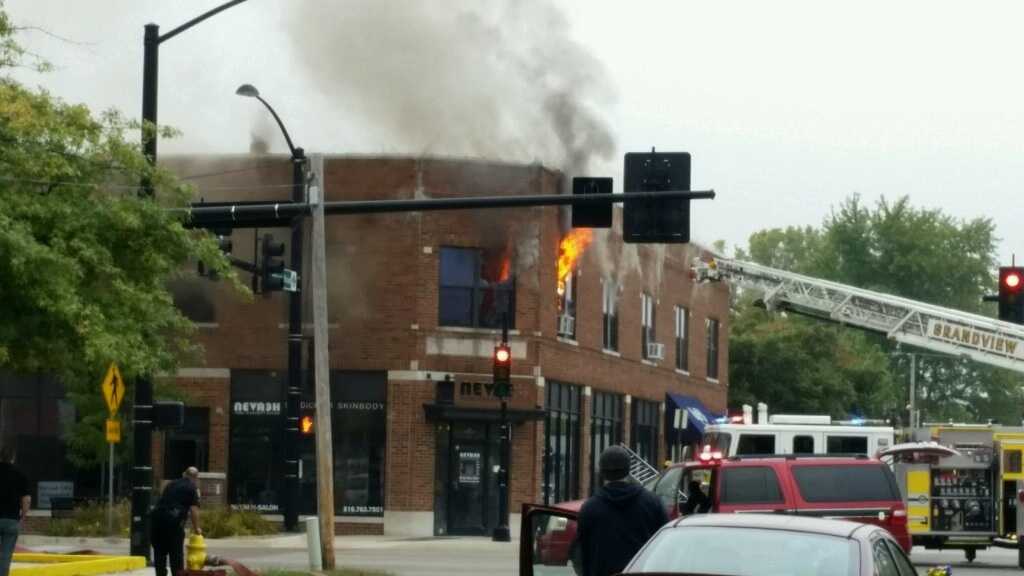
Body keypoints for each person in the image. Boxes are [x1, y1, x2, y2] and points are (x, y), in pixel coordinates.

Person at [577, 446, 669, 576]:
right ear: (628, 470)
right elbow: (664, 546)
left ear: (602, 472)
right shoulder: (653, 503)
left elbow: (584, 553)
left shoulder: (589, 508)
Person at [151, 466, 202, 576]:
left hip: (157, 521)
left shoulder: (171, 484)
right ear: (195, 478)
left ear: (184, 474)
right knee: (176, 556)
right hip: (173, 525)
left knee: (160, 554)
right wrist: (197, 528)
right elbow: (194, 510)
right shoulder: (192, 488)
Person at [0, 446, 30, 576]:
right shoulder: (20, 475)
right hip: (12, 519)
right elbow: (26, 500)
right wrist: (23, 516)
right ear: (13, 458)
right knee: (6, 555)